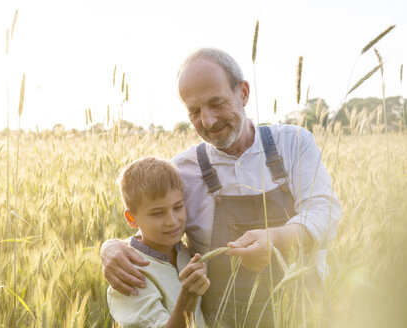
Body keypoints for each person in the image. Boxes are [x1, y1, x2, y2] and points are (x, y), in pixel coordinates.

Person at [101, 48, 341, 327]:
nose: (208, 121)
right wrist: (110, 248)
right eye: (194, 111)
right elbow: (152, 223)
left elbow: (325, 212)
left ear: (243, 93)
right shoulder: (182, 170)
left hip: (304, 315)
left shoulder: (294, 144)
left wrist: (276, 239)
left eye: (216, 103)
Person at [107, 156, 209, 327]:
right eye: (157, 213)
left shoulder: (184, 251)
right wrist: (188, 297)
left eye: (178, 207)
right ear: (132, 218)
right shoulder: (129, 275)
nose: (172, 221)